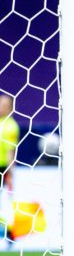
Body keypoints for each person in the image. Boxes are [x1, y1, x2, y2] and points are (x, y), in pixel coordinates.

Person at [0, 95, 19, 246]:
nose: (1, 106)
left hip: (2, 169)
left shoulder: (10, 126)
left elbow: (10, 151)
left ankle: (8, 233)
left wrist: (10, 173)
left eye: (5, 104)